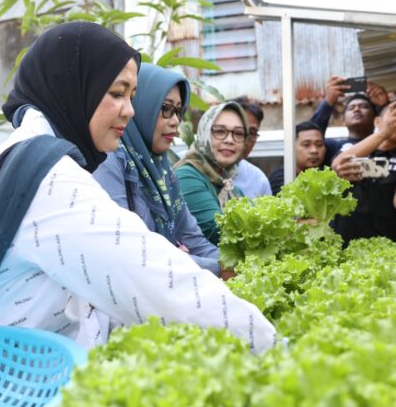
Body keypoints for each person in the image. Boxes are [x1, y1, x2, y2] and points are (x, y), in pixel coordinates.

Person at [0, 22, 275, 353]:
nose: (130, 110)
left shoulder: (28, 154)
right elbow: (153, 279)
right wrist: (275, 346)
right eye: (117, 93)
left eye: (132, 95)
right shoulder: (49, 178)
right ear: (73, 88)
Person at [93, 64, 220, 276]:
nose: (175, 121)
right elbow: (134, 253)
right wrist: (217, 269)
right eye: (166, 108)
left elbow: (193, 239)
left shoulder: (162, 171)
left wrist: (237, 268)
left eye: (179, 111)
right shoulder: (109, 161)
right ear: (141, 106)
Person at [330, 99, 396, 245]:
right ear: (378, 122)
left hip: (387, 246)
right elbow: (337, 165)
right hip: (345, 242)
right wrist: (385, 133)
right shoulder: (356, 147)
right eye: (395, 116)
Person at [174, 101, 248, 245]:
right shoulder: (186, 176)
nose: (229, 140)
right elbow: (217, 232)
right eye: (220, 131)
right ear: (204, 132)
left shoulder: (232, 189)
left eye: (238, 133)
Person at [310, 76, 388, 166]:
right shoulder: (331, 147)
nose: (357, 109)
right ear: (343, 120)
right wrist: (328, 102)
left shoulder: (386, 144)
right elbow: (309, 134)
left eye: (363, 106)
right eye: (351, 108)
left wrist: (384, 106)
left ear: (376, 119)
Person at [268, 121, 326, 195]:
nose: (314, 150)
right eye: (306, 145)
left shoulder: (327, 174)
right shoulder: (281, 177)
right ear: (291, 148)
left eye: (319, 145)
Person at [230, 95, 271, 198]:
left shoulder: (259, 181)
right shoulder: (188, 166)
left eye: (252, 132)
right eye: (238, 131)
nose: (244, 139)